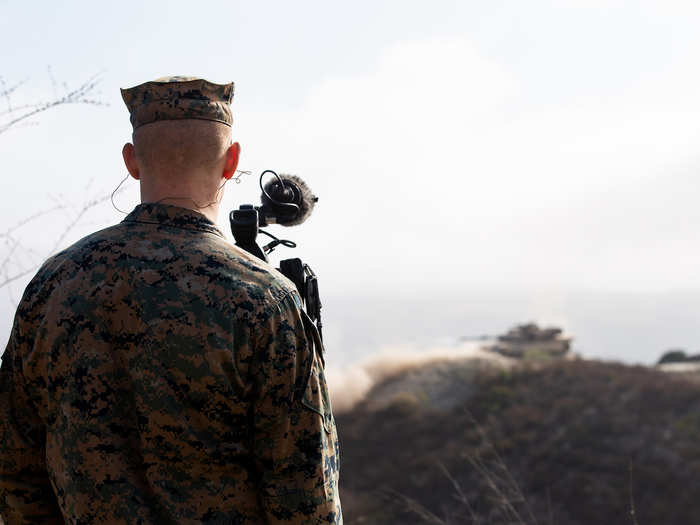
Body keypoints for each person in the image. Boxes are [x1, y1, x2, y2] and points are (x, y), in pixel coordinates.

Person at [0, 76, 342, 524]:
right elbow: (307, 500)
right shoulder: (267, 302)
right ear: (231, 160)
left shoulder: (53, 286)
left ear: (132, 161)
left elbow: (15, 471)